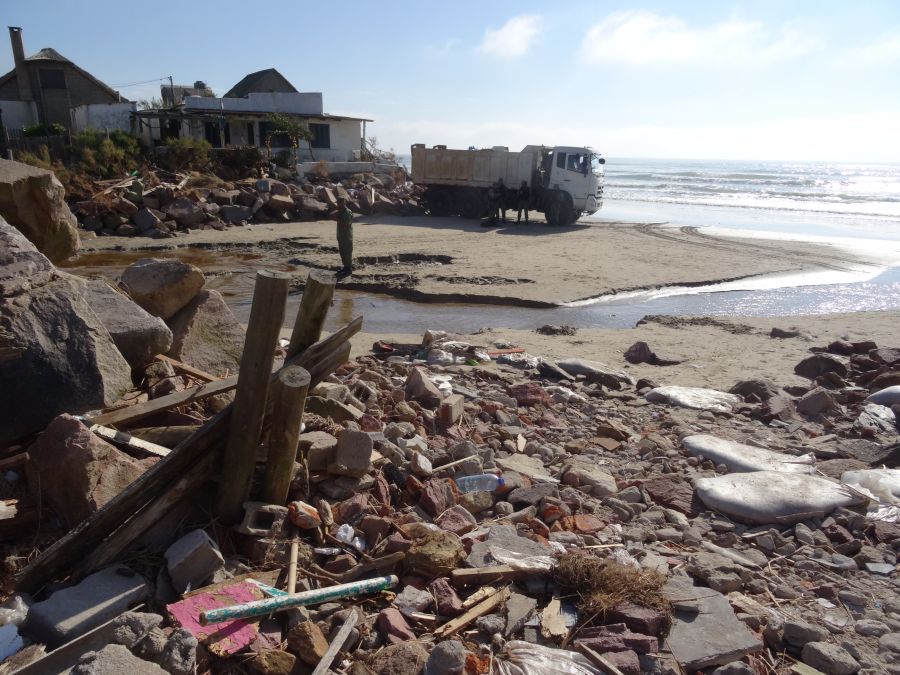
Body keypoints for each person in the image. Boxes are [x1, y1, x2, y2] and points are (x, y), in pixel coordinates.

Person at [335, 198, 354, 277]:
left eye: (339, 203)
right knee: (342, 253)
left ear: (343, 203)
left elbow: (346, 224)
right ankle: (345, 267)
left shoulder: (347, 212)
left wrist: (337, 219)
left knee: (347, 253)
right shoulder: (341, 211)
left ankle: (348, 269)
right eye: (337, 203)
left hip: (346, 236)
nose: (337, 204)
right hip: (341, 236)